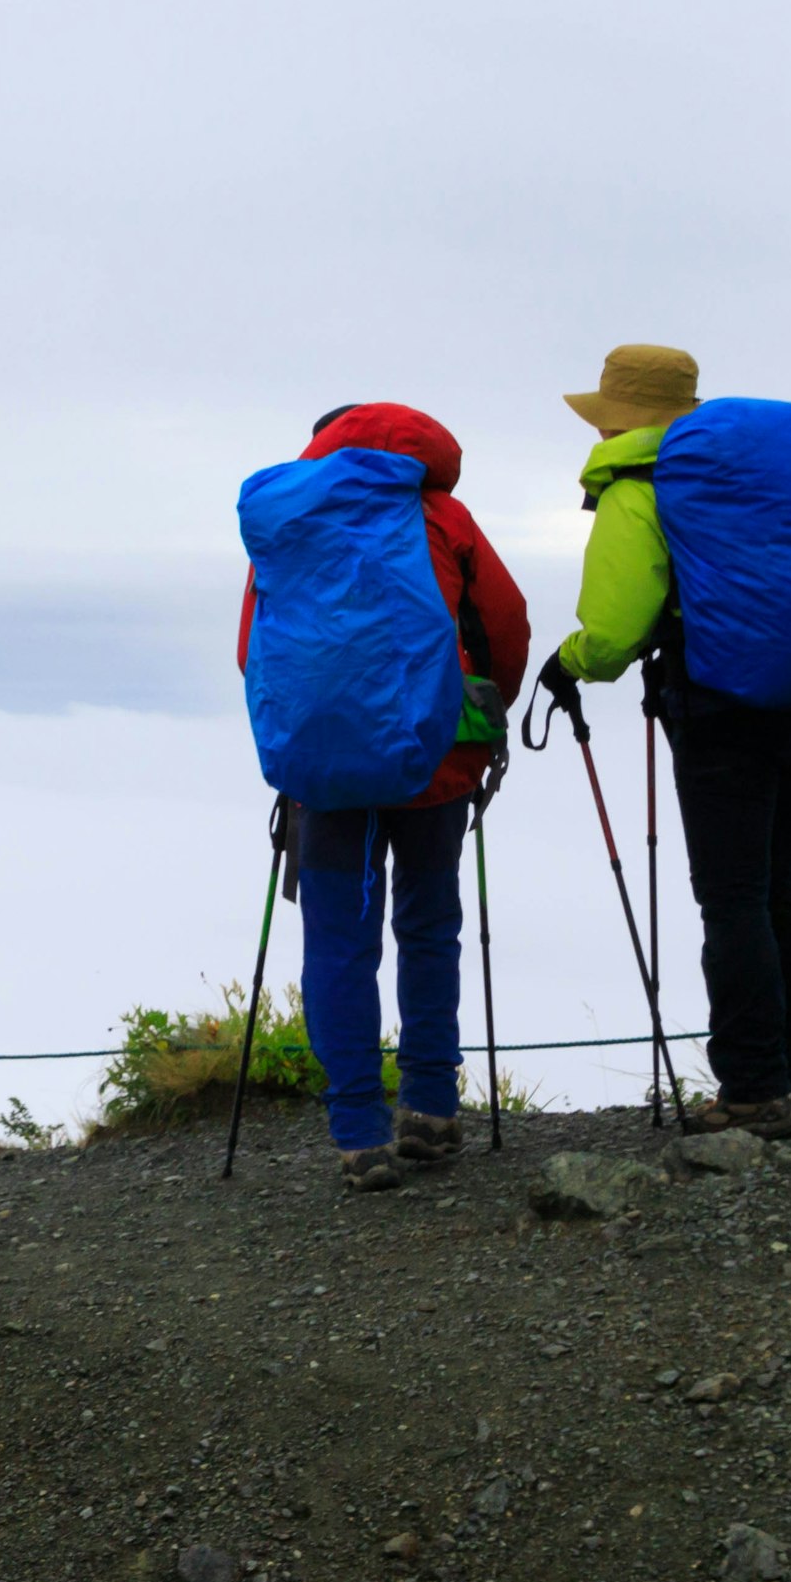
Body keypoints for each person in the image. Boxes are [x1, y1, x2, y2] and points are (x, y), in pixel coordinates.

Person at [538, 343, 791, 1137]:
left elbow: (612, 630)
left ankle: (752, 1088)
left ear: (620, 417)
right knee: (781, 883)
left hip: (718, 710)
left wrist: (568, 664)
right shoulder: (754, 474)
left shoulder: (640, 486)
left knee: (732, 895)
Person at [236, 403, 531, 1191]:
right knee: (430, 925)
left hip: (327, 771)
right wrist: (480, 717)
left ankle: (359, 1134)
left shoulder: (289, 520)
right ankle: (431, 1111)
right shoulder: (444, 516)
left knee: (339, 942)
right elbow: (505, 622)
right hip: (434, 757)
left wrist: (297, 739)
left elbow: (252, 648)